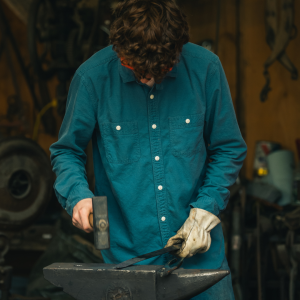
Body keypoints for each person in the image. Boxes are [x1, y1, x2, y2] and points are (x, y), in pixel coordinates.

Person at [50, 0, 247, 298]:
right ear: (118, 50)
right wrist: (78, 196)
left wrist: (207, 208)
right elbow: (66, 150)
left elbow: (228, 148)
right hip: (126, 260)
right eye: (134, 68)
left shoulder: (206, 68)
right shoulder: (91, 78)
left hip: (201, 261)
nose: (147, 78)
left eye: (161, 69)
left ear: (178, 50)